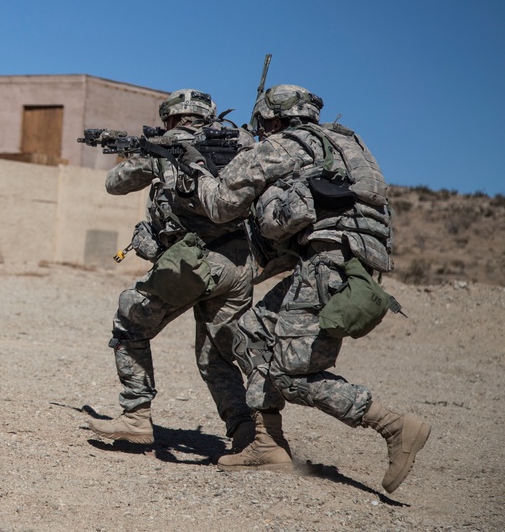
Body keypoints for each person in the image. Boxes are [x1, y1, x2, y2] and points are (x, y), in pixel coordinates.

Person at [182, 83, 430, 494]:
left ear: (274, 120)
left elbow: (222, 203)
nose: (262, 135)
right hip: (341, 263)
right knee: (251, 334)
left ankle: (394, 426)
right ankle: (267, 444)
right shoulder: (347, 142)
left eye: (263, 127)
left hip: (327, 263)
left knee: (290, 374)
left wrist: (197, 172)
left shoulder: (284, 145)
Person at [87, 89, 258, 452]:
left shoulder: (171, 145)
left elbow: (114, 183)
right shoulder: (243, 145)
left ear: (170, 118)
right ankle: (246, 431)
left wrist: (146, 153)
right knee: (216, 353)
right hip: (241, 264)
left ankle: (135, 416)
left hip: (194, 263)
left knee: (130, 319)